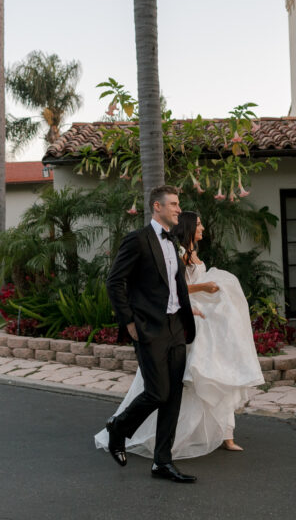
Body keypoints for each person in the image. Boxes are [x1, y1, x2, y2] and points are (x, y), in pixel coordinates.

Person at [95, 210, 263, 460]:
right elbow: (163, 286)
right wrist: (129, 321)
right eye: (198, 224)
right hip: (169, 322)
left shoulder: (181, 249)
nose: (203, 227)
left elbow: (179, 289)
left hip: (189, 321)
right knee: (166, 389)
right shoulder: (162, 247)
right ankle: (126, 429)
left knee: (191, 386)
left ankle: (181, 452)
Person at [100, 185, 198, 483]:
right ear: (157, 207)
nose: (178, 209)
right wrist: (129, 322)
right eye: (174, 204)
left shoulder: (174, 242)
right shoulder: (138, 240)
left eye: (178, 204)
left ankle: (162, 462)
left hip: (175, 327)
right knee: (158, 392)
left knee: (173, 396)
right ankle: (118, 427)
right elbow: (114, 282)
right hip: (149, 328)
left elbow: (175, 285)